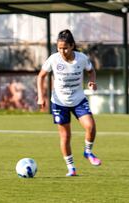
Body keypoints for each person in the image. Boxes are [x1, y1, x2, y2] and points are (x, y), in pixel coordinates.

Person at [37, 29, 101, 177]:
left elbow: (91, 71)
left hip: (78, 100)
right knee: (65, 136)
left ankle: (88, 152)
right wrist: (41, 96)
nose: (62, 51)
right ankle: (71, 168)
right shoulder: (53, 59)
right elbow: (40, 77)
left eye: (65, 48)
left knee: (90, 127)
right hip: (59, 103)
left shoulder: (81, 58)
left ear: (72, 46)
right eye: (59, 48)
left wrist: (92, 82)